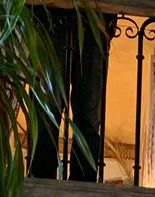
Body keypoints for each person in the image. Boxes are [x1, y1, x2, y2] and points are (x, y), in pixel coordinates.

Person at [30, 4, 117, 182]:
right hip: (54, 19)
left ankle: (82, 181)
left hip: (94, 25)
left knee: (88, 113)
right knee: (49, 110)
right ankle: (41, 177)